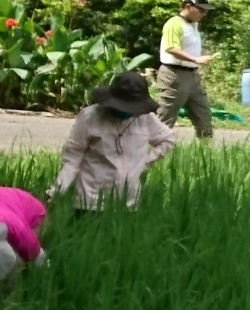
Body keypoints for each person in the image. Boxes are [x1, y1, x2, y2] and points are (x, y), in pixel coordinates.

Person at [51, 71, 178, 210]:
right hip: (90, 201)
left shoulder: (145, 119)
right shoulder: (90, 116)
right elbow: (73, 157)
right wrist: (55, 192)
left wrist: (143, 162)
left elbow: (167, 139)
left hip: (128, 201)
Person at [155, 0, 216, 139]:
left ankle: (205, 154)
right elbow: (171, 48)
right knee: (165, 116)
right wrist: (196, 59)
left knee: (203, 115)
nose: (204, 13)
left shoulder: (193, 25)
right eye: (201, 9)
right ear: (188, 6)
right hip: (173, 75)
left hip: (192, 76)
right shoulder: (174, 23)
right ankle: (152, 152)